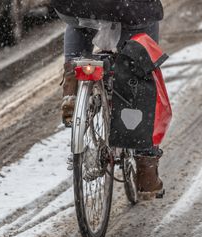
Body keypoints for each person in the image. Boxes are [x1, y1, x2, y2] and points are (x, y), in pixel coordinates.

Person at [51, 0, 165, 199]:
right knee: (141, 70)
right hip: (127, 8)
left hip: (78, 6)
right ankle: (146, 166)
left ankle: (72, 82)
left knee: (79, 19)